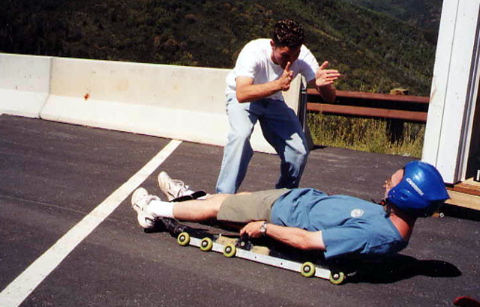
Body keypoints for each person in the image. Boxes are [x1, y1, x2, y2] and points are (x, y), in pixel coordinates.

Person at [132, 161, 449, 260]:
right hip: (295, 201)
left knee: (219, 207)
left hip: (283, 213)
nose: (385, 183)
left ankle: (154, 210)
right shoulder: (391, 221)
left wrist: (265, 229)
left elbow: (308, 242)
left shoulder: (378, 237)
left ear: (405, 195)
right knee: (230, 200)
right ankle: (189, 197)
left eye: (391, 183)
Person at [216, 19, 341, 194]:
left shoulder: (303, 56)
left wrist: (322, 85)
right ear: (273, 45)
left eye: (295, 55)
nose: (290, 61)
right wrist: (278, 85)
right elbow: (242, 94)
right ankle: (223, 197)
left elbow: (330, 98)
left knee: (298, 150)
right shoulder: (253, 51)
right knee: (240, 136)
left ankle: (282, 197)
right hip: (244, 98)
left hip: (274, 100)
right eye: (285, 56)